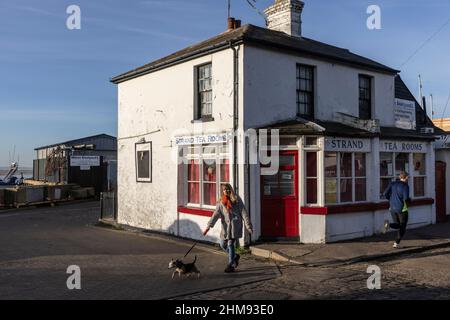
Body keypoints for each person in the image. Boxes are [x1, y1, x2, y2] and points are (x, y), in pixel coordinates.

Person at [203, 183, 253, 273]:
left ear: (231, 189)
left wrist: (248, 226)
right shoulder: (220, 202)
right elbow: (215, 214)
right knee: (222, 244)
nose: (226, 191)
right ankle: (235, 257)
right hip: (225, 228)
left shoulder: (236, 199)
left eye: (228, 189)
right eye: (224, 190)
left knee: (230, 244)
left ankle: (231, 265)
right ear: (222, 191)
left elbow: (244, 212)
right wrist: (209, 226)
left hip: (235, 226)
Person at [383, 171, 411, 248]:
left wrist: (390, 200)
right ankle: (396, 244)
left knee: (398, 225)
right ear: (406, 177)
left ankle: (388, 224)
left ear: (400, 177)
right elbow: (406, 198)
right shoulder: (405, 186)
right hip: (402, 209)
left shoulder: (392, 183)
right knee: (402, 227)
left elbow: (385, 193)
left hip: (392, 208)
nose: (408, 178)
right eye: (408, 177)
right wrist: (410, 201)